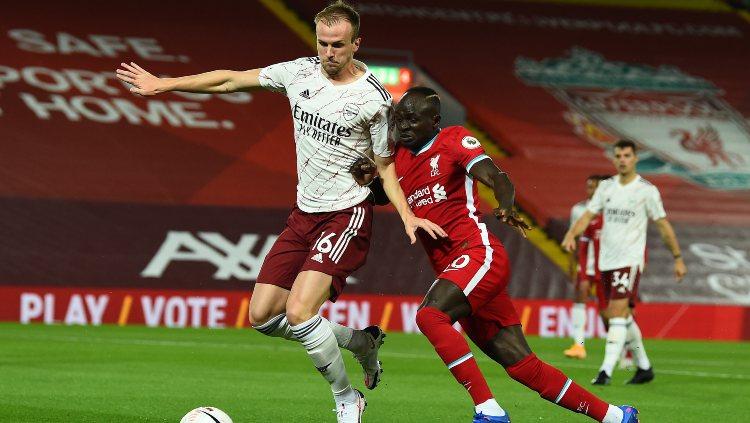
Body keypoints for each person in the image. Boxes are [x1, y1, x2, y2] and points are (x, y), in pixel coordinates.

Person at [116, 2, 446, 422]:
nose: (329, 52)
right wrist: (165, 84)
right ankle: (360, 343)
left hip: (346, 214)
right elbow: (231, 80)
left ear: (356, 44)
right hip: (303, 214)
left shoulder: (374, 101)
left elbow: (385, 167)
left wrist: (406, 215)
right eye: (323, 43)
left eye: (338, 45)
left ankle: (347, 399)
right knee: (262, 316)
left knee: (300, 312)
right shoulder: (299, 72)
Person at [352, 86, 638, 423]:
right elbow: (385, 196)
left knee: (429, 316)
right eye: (400, 119)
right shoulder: (397, 156)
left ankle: (488, 411)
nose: (404, 126)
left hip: (477, 254)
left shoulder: (455, 140)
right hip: (455, 270)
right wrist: (365, 181)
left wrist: (504, 204)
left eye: (413, 119)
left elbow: (494, 175)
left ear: (435, 121)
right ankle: (616, 417)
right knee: (521, 365)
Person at [562, 139, 687, 386]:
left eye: (627, 155)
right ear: (614, 158)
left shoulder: (646, 191)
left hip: (629, 259)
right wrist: (571, 234)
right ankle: (644, 367)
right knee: (616, 314)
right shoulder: (606, 188)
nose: (622, 159)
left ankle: (605, 371)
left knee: (617, 312)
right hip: (605, 260)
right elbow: (588, 214)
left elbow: (662, 224)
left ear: (635, 158)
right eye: (618, 155)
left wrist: (677, 257)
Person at [563, 175, 606, 360]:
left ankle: (622, 350)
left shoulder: (610, 210)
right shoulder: (578, 209)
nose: (592, 190)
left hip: (606, 264)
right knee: (580, 297)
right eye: (589, 187)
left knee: (608, 309)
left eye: (596, 187)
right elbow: (574, 238)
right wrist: (572, 263)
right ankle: (578, 345)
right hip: (585, 262)